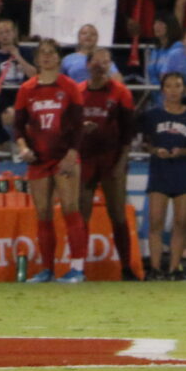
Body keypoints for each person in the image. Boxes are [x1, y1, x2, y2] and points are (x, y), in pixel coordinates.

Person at [10, 39, 91, 283]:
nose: (46, 57)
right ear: (36, 59)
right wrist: (23, 148)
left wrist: (72, 154)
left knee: (70, 208)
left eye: (51, 53)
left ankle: (77, 268)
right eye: (42, 53)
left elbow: (78, 125)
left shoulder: (69, 87)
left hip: (64, 157)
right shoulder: (27, 89)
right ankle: (47, 269)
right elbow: (18, 126)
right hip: (38, 159)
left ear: (58, 58)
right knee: (43, 212)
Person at [73, 47, 139, 281]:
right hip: (86, 159)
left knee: (118, 213)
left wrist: (121, 163)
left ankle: (126, 267)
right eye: (96, 62)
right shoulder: (78, 92)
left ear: (110, 65)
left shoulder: (120, 92)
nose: (100, 67)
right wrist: (81, 130)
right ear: (87, 65)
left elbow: (128, 132)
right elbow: (69, 128)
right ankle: (78, 268)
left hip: (111, 158)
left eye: (105, 62)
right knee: (82, 214)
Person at [137, 70, 186, 279]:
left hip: (182, 172)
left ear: (183, 89)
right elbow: (145, 143)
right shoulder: (152, 115)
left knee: (181, 222)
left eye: (177, 86)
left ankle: (175, 268)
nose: (173, 90)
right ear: (162, 90)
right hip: (159, 171)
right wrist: (155, 150)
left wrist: (181, 152)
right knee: (156, 222)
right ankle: (155, 269)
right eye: (169, 86)